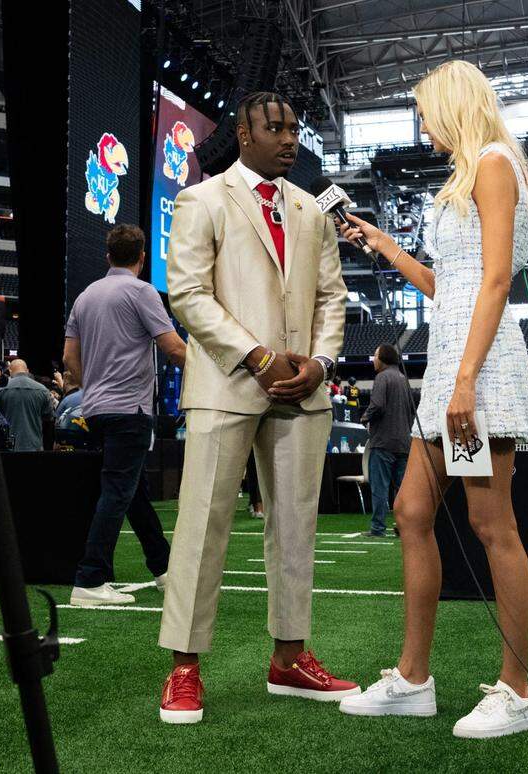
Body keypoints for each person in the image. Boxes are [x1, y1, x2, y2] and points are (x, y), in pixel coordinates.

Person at [335, 60, 528, 738]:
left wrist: (463, 382)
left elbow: (497, 280)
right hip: (453, 366)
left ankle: (517, 692)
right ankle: (414, 679)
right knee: (410, 509)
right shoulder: (466, 174)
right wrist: (384, 244)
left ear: (452, 104)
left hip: (476, 373)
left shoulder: (492, 163)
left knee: (491, 525)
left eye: (424, 110)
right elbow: (448, 286)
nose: (421, 123)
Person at [157, 91, 356, 725]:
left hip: (304, 390)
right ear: (244, 134)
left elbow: (332, 299)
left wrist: (319, 364)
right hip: (228, 385)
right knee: (202, 527)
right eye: (277, 128)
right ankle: (185, 667)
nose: (290, 138)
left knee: (296, 529)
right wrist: (257, 357)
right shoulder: (202, 199)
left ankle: (289, 658)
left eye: (295, 128)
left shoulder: (310, 209)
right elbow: (187, 295)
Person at [63, 224, 186, 607]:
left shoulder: (86, 296)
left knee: (132, 492)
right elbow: (174, 348)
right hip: (129, 409)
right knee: (118, 491)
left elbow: (69, 359)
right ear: (142, 257)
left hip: (96, 409)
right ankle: (90, 578)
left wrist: (94, 387)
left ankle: (163, 567)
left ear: (107, 255)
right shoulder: (141, 291)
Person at [360, 343, 413, 537]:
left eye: (375, 355)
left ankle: (378, 528)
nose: (373, 359)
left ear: (383, 358)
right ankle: (403, 527)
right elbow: (410, 412)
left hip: (382, 442)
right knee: (403, 489)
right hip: (404, 443)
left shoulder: (382, 377)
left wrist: (365, 417)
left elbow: (377, 405)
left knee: (380, 487)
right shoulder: (403, 379)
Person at [0, 359, 54, 451]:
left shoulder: (0, 390)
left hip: (9, 449)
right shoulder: (43, 390)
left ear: (10, 371)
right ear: (27, 371)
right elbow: (49, 419)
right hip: (34, 447)